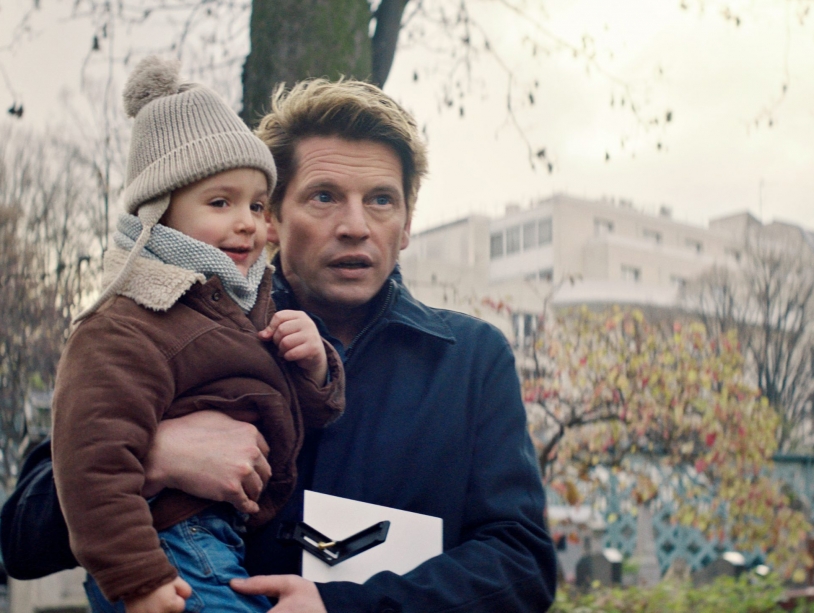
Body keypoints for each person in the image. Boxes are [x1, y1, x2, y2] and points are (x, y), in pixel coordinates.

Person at [1, 77, 556, 612]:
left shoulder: (473, 359)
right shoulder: (162, 323)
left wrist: (343, 608)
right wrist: (157, 457)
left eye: (381, 200)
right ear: (272, 220)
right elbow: (19, 538)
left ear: (407, 224)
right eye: (324, 196)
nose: (355, 225)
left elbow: (521, 566)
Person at [49, 57, 345, 613]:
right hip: (170, 542)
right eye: (220, 202)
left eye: (256, 205)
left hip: (221, 539)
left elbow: (289, 419)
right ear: (159, 213)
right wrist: (139, 578)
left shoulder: (237, 308)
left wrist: (314, 367)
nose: (247, 221)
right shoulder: (128, 324)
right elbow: (91, 464)